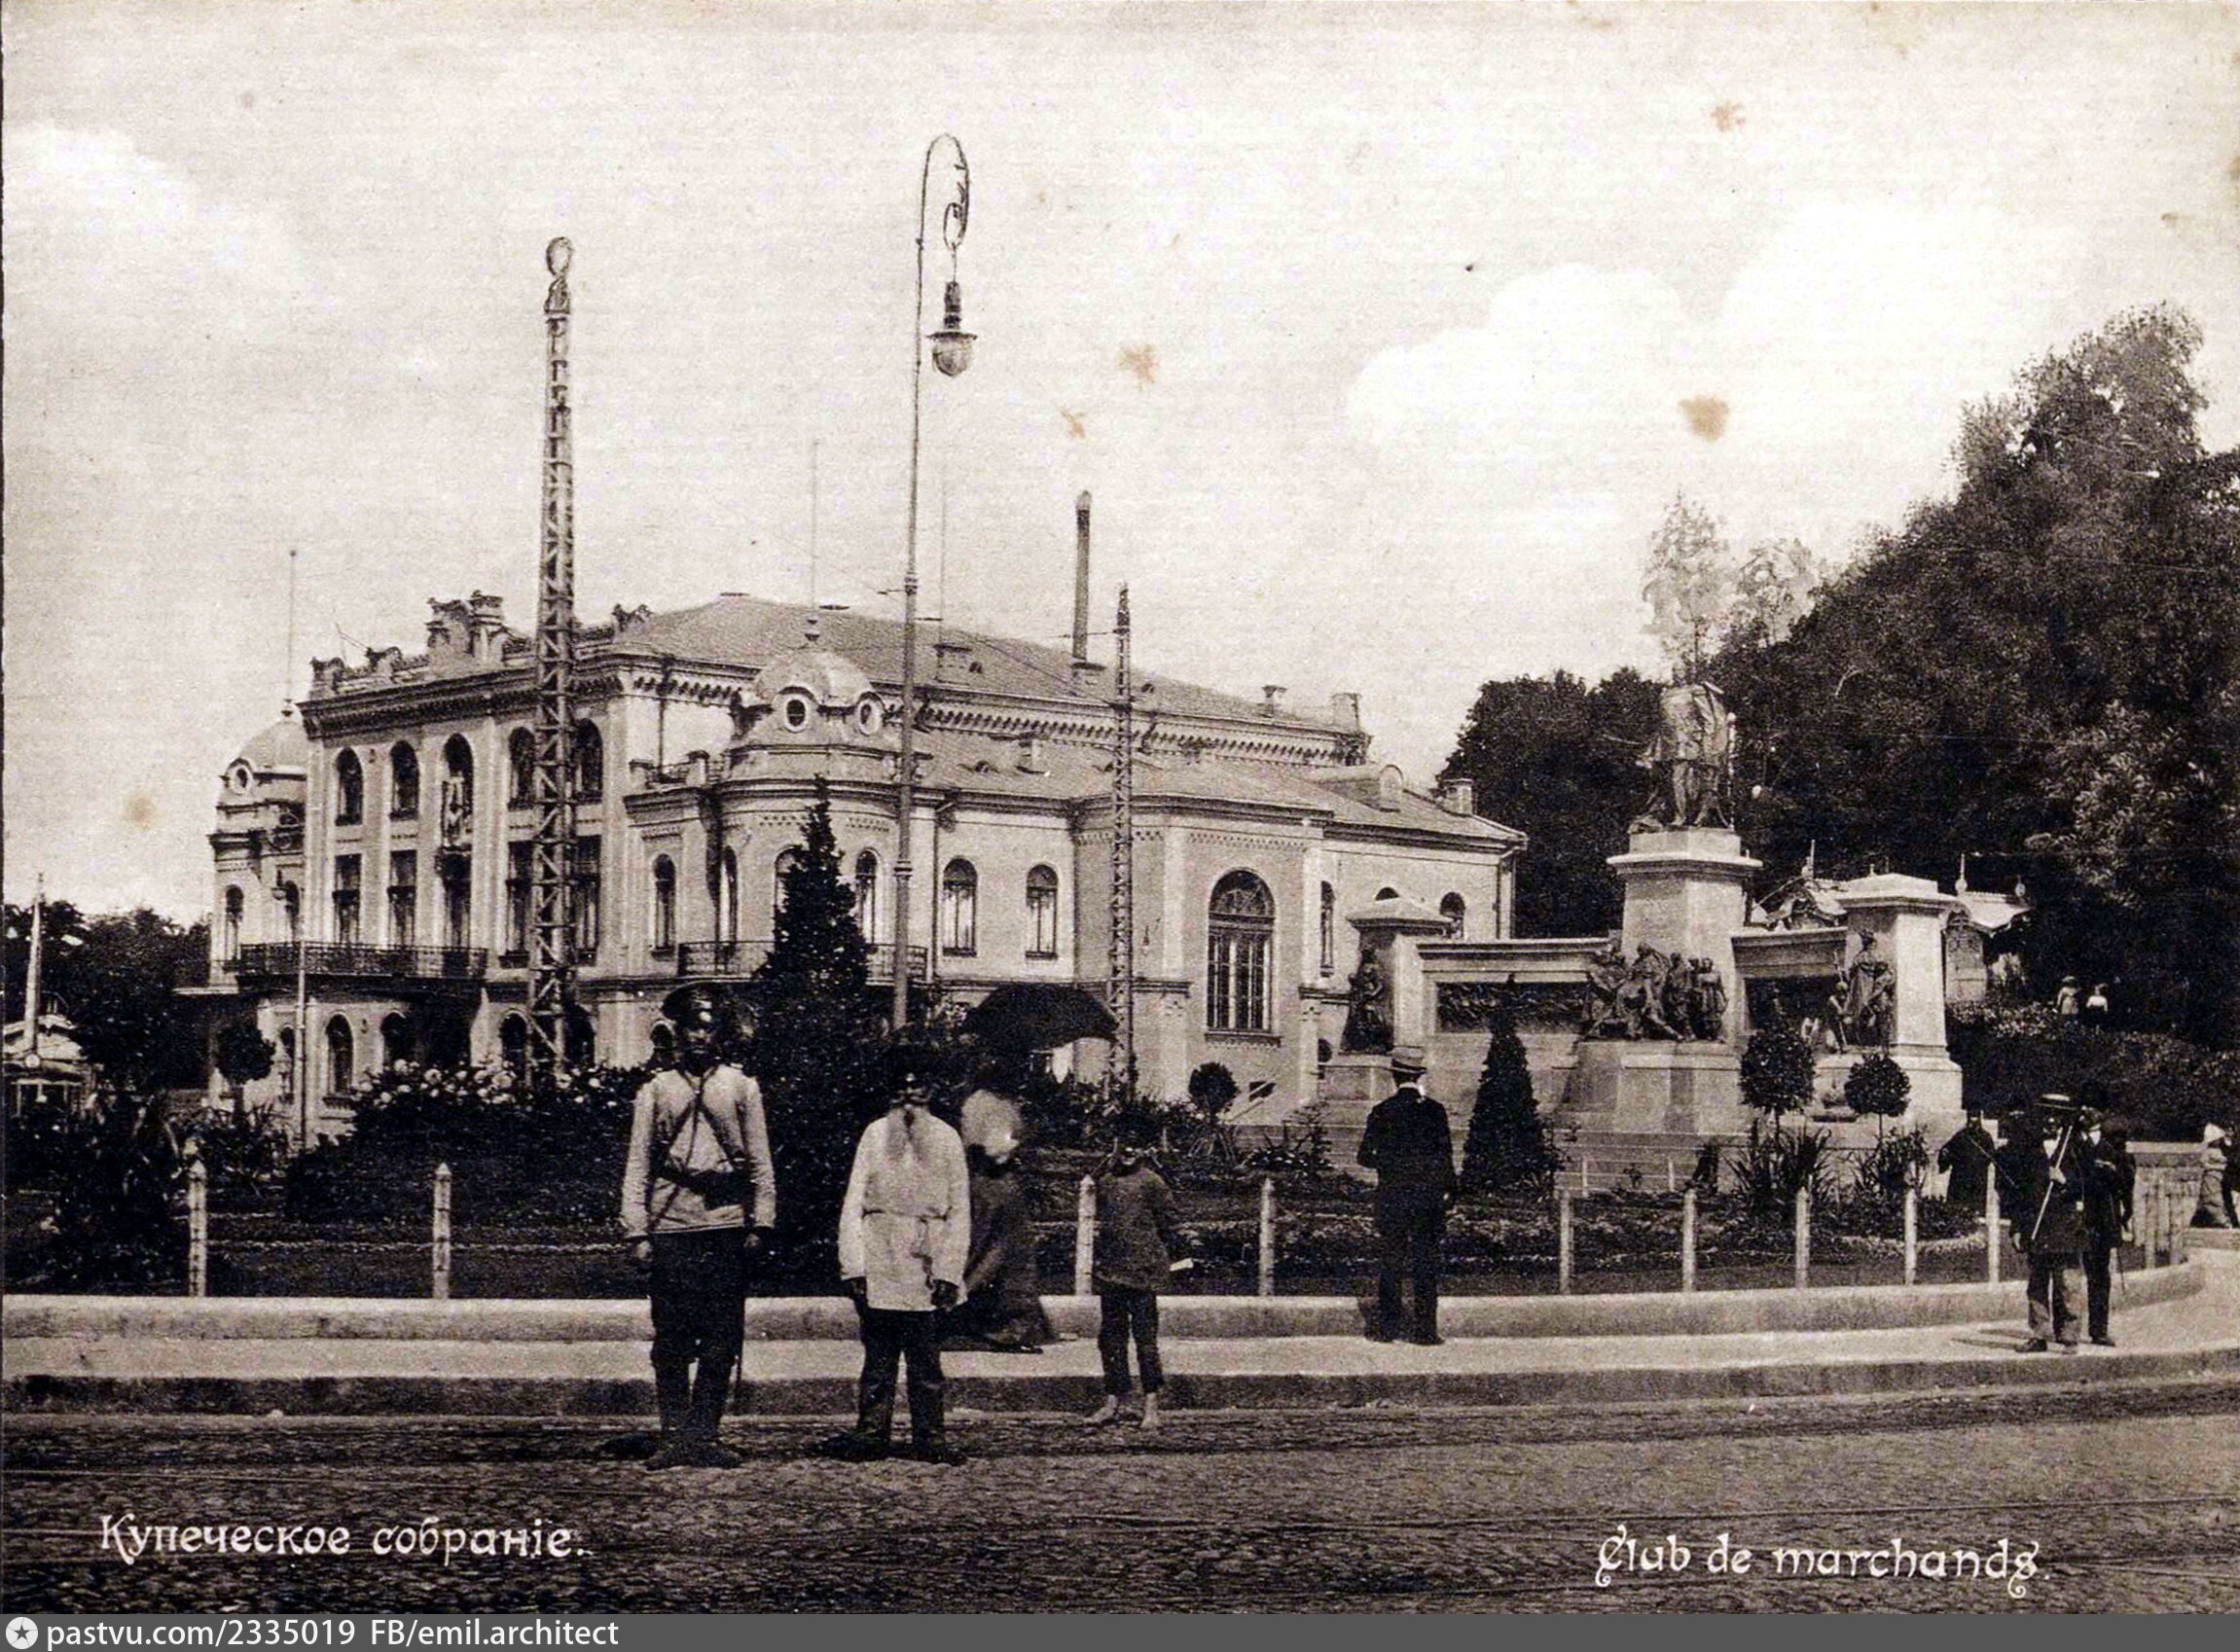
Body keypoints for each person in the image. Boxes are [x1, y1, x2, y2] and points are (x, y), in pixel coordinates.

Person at [618, 982, 777, 1470]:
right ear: (678, 1034)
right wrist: (636, 1230)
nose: (699, 1037)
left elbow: (760, 1162)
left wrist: (761, 1221)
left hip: (725, 1222)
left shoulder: (741, 1087)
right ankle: (673, 1435)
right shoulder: (657, 1090)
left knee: (723, 1336)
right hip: (672, 1223)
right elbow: (638, 1165)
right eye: (691, 1028)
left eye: (708, 1028)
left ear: (720, 1035)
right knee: (671, 1336)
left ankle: (705, 1433)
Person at [822, 1047, 972, 1464]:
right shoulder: (874, 1135)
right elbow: (853, 1204)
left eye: (917, 1085)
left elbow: (960, 1210)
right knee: (879, 1357)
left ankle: (931, 1437)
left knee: (926, 1360)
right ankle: (871, 1433)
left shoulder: (947, 1138)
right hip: (881, 1255)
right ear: (892, 1092)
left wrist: (949, 1270)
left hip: (927, 1259)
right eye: (902, 1086)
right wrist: (854, 1264)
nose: (909, 1094)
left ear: (930, 1090)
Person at [1084, 1118, 1187, 1432]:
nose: (1129, 1153)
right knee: (1110, 1340)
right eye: (1123, 1146)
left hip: (1143, 1274)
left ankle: (1151, 1406)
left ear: (1145, 1150)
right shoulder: (1106, 1181)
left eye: (1136, 1147)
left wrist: (1174, 1262)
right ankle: (1114, 1401)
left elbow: (1170, 1224)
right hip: (1112, 1272)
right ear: (1115, 1147)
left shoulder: (1152, 1182)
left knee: (1145, 1341)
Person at [1357, 1046, 1457, 1346]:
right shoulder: (1434, 1111)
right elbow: (1445, 1157)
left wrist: (1391, 1164)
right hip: (1427, 1198)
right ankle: (1425, 1331)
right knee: (1426, 1262)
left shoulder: (1382, 1111)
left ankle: (1387, 1330)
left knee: (1392, 1261)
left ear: (1394, 1076)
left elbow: (1364, 1156)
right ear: (1418, 1076)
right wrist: (1449, 1192)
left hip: (1393, 1196)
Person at [945, 1111, 1054, 1354]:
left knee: (1004, 1262)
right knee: (985, 1257)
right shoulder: (986, 1183)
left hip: (999, 1196)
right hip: (992, 1191)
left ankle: (1007, 1327)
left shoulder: (999, 1184)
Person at [2009, 1099, 2089, 1354]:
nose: (2050, 1121)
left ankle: (2069, 1337)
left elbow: (2091, 1185)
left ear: (2063, 1120)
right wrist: (2017, 1228)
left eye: (2056, 1116)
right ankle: (2039, 1335)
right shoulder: (2029, 1149)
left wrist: (2066, 1181)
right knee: (2037, 1285)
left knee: (2068, 1284)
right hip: (2037, 1227)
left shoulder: (2076, 1148)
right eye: (2046, 1115)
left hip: (2066, 1227)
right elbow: (2021, 1193)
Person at [2077, 1111, 2134, 1348]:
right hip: (2074, 1218)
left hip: (2101, 1221)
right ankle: (2064, 1330)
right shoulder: (2071, 1143)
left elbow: (2126, 1184)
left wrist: (2112, 1172)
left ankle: (2098, 1330)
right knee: (2064, 1276)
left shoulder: (2114, 1148)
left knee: (2099, 1276)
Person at [1936, 1111, 1998, 1214]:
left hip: (1977, 1178)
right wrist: (1945, 1154)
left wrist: (1979, 1162)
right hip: (1960, 1178)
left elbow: (1991, 1155)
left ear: (1979, 1119)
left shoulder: (1985, 1137)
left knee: (1976, 1209)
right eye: (1971, 1117)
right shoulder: (1960, 1136)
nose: (1973, 1120)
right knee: (1958, 1208)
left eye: (1975, 1117)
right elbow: (1948, 1149)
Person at [2193, 1123, 2235, 1229]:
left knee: (2219, 1199)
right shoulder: (2207, 1152)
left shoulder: (2218, 1150)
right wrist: (2218, 1167)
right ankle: (2222, 1221)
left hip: (2219, 1178)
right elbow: (2204, 1165)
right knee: (2212, 1198)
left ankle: (2224, 1219)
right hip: (2211, 1178)